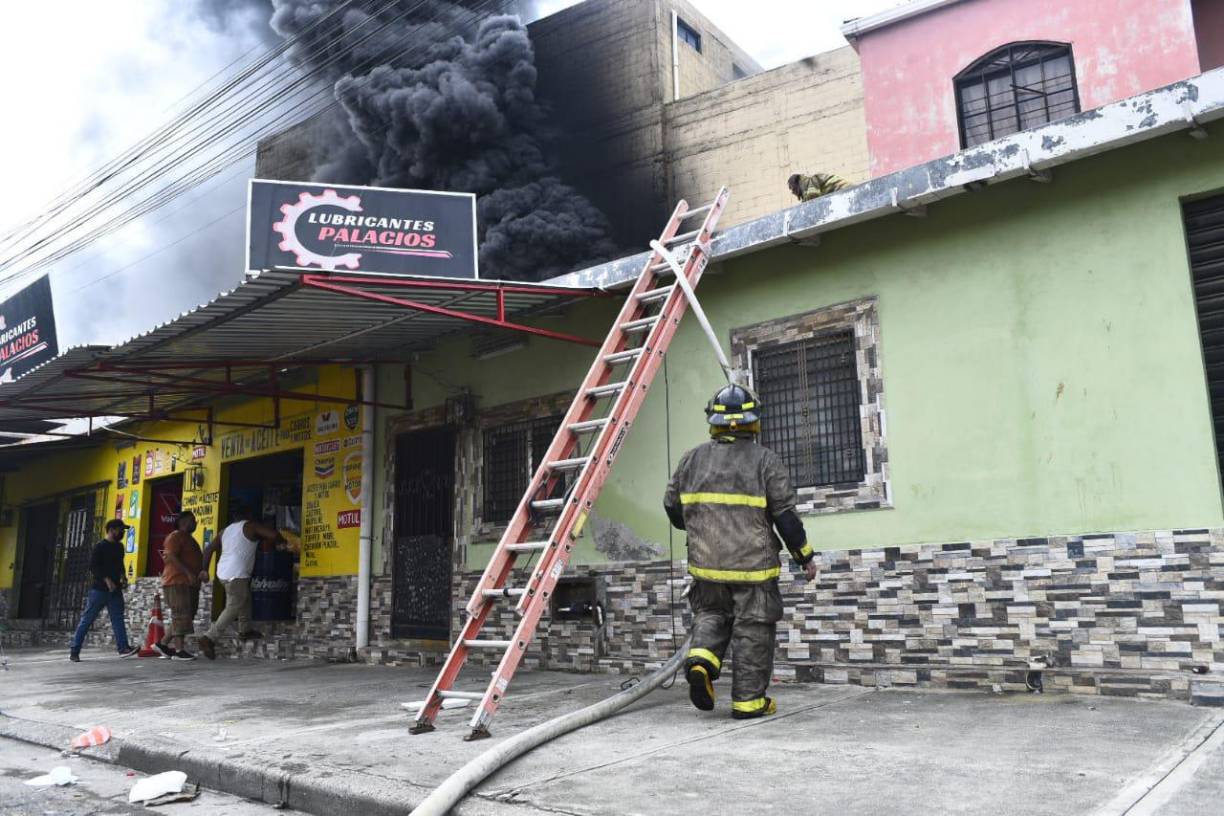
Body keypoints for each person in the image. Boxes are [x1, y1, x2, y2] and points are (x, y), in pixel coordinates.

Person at [663, 383, 818, 719]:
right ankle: (748, 703)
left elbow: (672, 506)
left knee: (711, 615)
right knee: (753, 629)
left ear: (714, 421)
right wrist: (804, 556)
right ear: (753, 422)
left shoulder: (691, 459)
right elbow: (786, 518)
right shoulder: (766, 461)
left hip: (706, 566)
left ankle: (701, 660)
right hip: (753, 569)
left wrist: (699, 527)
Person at [197, 504, 285, 660]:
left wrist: (204, 570)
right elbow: (272, 534)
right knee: (234, 604)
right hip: (236, 572)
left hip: (223, 572)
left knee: (244, 597)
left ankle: (245, 630)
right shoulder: (250, 526)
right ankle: (209, 637)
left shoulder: (225, 531)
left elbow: (209, 549)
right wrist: (281, 541)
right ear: (248, 515)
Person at [70, 519, 140, 662]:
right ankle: (74, 650)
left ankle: (123, 648)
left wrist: (123, 577)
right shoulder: (100, 547)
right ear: (112, 530)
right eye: (121, 530)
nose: (122, 533)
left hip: (115, 591)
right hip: (99, 590)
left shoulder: (120, 547)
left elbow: (120, 565)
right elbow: (93, 567)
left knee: (118, 619)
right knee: (87, 619)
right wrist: (107, 580)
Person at [152, 510, 203, 661]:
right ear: (184, 522)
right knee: (181, 614)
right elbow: (170, 556)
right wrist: (188, 573)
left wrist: (200, 573)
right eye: (193, 520)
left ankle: (162, 644)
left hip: (189, 584)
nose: (195, 522)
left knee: (187, 615)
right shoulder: (175, 537)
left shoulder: (190, 539)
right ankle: (179, 651)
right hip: (177, 581)